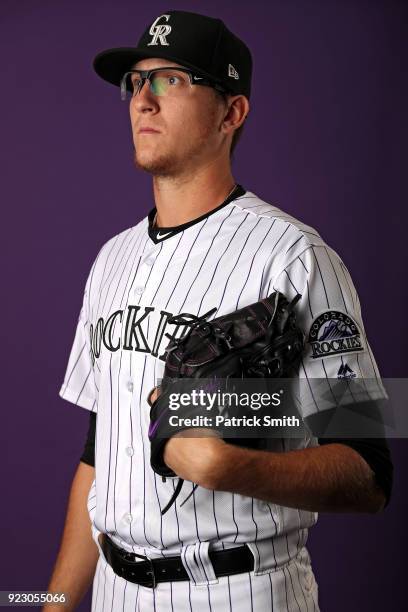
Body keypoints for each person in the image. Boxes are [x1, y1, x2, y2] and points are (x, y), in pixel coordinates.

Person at [45, 10, 393, 612]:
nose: (142, 101)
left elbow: (371, 471)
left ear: (231, 113)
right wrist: (48, 606)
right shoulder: (111, 259)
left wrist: (230, 466)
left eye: (171, 80)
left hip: (239, 590)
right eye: (136, 82)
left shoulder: (296, 257)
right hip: (112, 590)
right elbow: (99, 453)